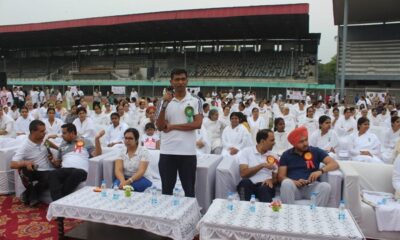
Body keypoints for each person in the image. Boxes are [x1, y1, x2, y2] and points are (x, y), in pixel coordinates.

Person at [155, 69, 203, 197]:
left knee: (189, 192)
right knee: (166, 191)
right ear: (171, 82)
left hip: (187, 152)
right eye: (177, 79)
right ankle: (166, 217)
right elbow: (160, 126)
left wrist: (173, 126)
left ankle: (190, 217)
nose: (180, 82)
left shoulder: (196, 100)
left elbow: (197, 124)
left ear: (187, 81)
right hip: (167, 152)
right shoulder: (163, 101)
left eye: (183, 79)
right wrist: (165, 104)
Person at [278, 127, 339, 206]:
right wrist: (294, 182)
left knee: (325, 186)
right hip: (295, 188)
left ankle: (316, 215)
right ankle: (289, 214)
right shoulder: (286, 155)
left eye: (306, 140)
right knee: (286, 183)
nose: (305, 143)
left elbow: (334, 164)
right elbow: (281, 177)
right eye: (301, 142)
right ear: (294, 144)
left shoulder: (315, 151)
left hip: (312, 187)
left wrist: (320, 171)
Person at [48, 123, 103, 201]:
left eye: (64, 133)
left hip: (80, 170)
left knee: (76, 173)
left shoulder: (85, 141)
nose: (62, 135)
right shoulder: (62, 145)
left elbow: (97, 155)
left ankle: (57, 201)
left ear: (72, 133)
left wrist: (97, 140)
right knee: (52, 174)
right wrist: (54, 162)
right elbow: (58, 164)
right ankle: (58, 201)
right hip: (65, 170)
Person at [10, 120, 56, 206]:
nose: (44, 133)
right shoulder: (25, 146)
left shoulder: (43, 140)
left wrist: (58, 149)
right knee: (22, 169)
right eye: (41, 131)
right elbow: (12, 164)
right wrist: (26, 163)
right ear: (33, 132)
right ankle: (33, 198)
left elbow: (47, 143)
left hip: (46, 170)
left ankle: (28, 195)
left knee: (51, 176)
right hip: (34, 170)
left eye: (44, 130)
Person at [237, 129, 278, 202]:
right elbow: (243, 174)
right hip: (249, 185)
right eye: (271, 140)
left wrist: (271, 180)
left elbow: (276, 178)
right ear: (262, 141)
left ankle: (267, 212)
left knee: (263, 188)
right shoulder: (246, 152)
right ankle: (245, 209)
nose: (274, 143)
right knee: (244, 182)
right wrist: (262, 165)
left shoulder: (274, 156)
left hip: (265, 185)